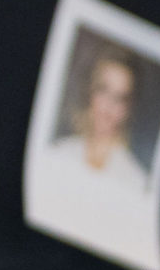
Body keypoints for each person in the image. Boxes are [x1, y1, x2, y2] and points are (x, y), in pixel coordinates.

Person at [45, 44, 149, 191]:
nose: (108, 106)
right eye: (103, 89)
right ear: (90, 90)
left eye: (120, 98)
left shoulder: (136, 181)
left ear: (129, 107)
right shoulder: (59, 153)